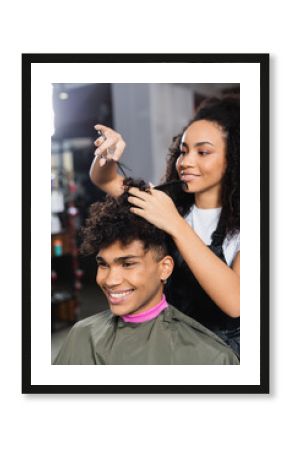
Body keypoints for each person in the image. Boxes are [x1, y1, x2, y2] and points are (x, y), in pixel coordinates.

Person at [89, 96, 240, 357]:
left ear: (234, 158)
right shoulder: (167, 201)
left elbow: (237, 302)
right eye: (184, 151)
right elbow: (105, 179)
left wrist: (174, 224)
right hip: (173, 346)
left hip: (224, 356)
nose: (187, 162)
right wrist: (107, 156)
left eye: (202, 152)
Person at [53, 179, 239, 365]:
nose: (110, 280)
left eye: (127, 264)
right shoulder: (82, 336)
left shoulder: (212, 356)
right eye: (104, 265)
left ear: (164, 268)